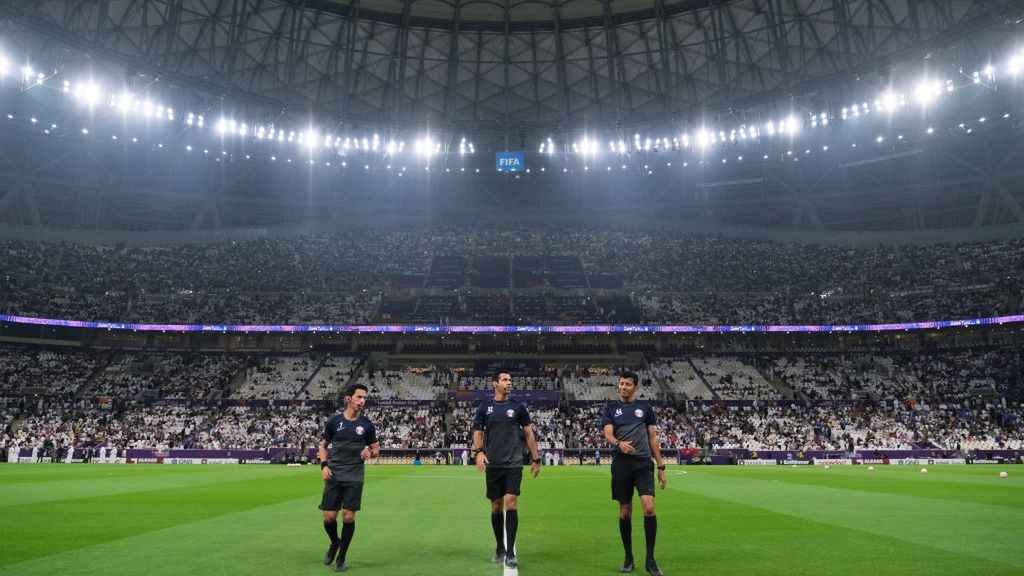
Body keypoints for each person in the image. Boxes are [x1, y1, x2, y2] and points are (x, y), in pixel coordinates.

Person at [472, 372, 541, 570]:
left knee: (511, 503)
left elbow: (528, 433)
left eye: (510, 380)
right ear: (495, 383)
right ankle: (499, 547)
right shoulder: (485, 407)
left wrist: (536, 458)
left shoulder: (518, 407)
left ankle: (510, 552)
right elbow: (477, 432)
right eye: (504, 380)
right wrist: (479, 452)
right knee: (496, 506)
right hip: (493, 464)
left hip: (513, 463)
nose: (509, 383)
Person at [602, 372, 668, 576]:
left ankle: (650, 560)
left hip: (643, 463)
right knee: (625, 511)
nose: (623, 387)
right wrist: (619, 444)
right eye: (621, 383)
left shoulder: (644, 408)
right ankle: (628, 557)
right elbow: (607, 433)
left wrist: (661, 466)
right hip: (621, 464)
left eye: (627, 384)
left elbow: (652, 437)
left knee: (649, 508)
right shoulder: (611, 408)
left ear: (635, 387)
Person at [319, 384, 380, 572]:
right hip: (334, 473)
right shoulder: (334, 422)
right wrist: (324, 465)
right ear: (349, 398)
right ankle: (335, 542)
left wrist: (370, 452)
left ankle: (341, 558)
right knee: (329, 517)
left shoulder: (367, 425)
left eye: (364, 398)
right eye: (359, 397)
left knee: (348, 516)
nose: (362, 401)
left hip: (354, 474)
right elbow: (323, 446)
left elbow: (376, 448)